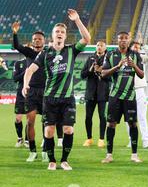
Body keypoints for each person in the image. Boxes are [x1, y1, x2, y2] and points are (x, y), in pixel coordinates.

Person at [23, 9, 91, 170]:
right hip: (50, 98)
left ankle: (65, 160)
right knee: (49, 131)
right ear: (52, 36)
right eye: (57, 32)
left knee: (68, 129)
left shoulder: (71, 50)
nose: (59, 33)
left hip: (67, 98)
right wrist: (26, 84)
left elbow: (87, 38)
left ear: (65, 36)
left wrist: (77, 20)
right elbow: (29, 70)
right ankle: (52, 160)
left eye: (62, 32)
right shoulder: (45, 53)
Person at [101, 31, 144, 164]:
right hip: (115, 96)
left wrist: (134, 65)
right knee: (111, 124)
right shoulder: (110, 54)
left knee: (132, 124)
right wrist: (117, 66)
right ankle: (109, 155)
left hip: (130, 95)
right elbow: (103, 73)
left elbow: (141, 74)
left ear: (129, 40)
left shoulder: (135, 55)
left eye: (126, 38)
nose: (123, 40)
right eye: (121, 38)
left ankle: (134, 154)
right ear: (117, 40)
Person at [12, 22, 51, 161]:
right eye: (34, 39)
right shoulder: (29, 52)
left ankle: (46, 150)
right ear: (32, 41)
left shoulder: (49, 53)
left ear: (44, 40)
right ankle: (33, 151)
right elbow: (17, 46)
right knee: (30, 122)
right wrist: (15, 33)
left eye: (39, 38)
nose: (36, 40)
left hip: (46, 91)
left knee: (46, 123)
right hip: (31, 91)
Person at [81, 40, 109, 148]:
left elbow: (111, 76)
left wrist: (102, 72)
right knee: (88, 117)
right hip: (90, 93)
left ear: (105, 47)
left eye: (102, 45)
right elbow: (82, 75)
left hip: (102, 93)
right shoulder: (90, 58)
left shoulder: (108, 59)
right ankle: (89, 138)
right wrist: (90, 69)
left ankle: (101, 139)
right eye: (98, 45)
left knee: (102, 116)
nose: (99, 47)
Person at [127, 38, 148, 149]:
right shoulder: (125, 58)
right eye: (135, 46)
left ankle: (146, 140)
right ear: (130, 47)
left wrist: (143, 45)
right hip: (127, 91)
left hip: (139, 90)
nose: (137, 48)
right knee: (129, 118)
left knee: (142, 117)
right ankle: (131, 140)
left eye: (138, 47)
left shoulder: (141, 58)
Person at [13, 58, 27, 147]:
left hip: (32, 93)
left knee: (30, 119)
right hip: (20, 94)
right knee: (18, 119)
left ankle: (27, 140)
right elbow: (15, 78)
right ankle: (19, 138)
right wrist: (26, 72)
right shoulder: (18, 63)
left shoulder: (36, 62)